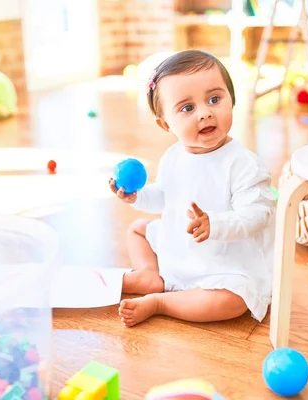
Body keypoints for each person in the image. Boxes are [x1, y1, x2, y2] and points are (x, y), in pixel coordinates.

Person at [109, 49, 276, 327]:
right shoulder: (174, 156)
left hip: (224, 262)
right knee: (136, 228)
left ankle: (162, 302)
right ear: (166, 124)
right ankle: (151, 274)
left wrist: (216, 223)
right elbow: (165, 198)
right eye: (187, 108)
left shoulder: (244, 164)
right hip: (180, 248)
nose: (205, 113)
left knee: (233, 301)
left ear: (231, 100)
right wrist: (138, 196)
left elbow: (258, 215)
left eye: (214, 99)